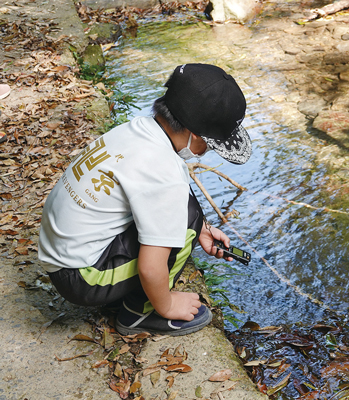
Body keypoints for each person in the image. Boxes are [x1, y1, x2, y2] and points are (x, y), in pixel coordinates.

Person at [38, 63, 252, 336]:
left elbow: (146, 195)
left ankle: (121, 288)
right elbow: (151, 268)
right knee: (185, 222)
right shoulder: (164, 170)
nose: (205, 153)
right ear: (195, 134)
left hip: (61, 251)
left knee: (188, 214)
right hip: (81, 276)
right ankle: (141, 314)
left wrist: (204, 230)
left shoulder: (137, 131)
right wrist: (169, 303)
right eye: (210, 145)